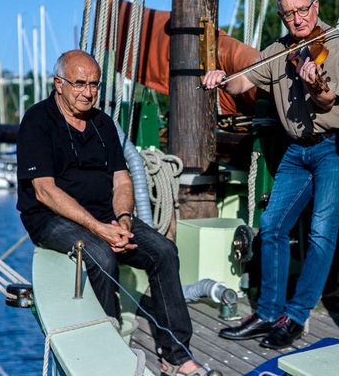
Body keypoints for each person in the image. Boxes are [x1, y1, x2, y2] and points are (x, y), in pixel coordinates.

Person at [16, 50, 208, 376]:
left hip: (107, 215)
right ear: (58, 84)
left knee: (163, 251)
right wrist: (98, 229)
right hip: (50, 217)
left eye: (94, 84)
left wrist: (123, 220)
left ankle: (175, 354)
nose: (88, 92)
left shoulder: (102, 123)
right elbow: (44, 190)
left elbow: (122, 178)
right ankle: (108, 348)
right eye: (79, 84)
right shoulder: (37, 121)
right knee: (100, 255)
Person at [202, 0, 339, 349]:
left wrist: (315, 86)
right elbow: (242, 83)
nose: (298, 19)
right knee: (270, 226)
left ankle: (296, 316)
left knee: (320, 234)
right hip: (296, 151)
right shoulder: (277, 51)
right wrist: (220, 77)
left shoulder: (335, 45)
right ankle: (269, 312)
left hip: (334, 148)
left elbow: (327, 101)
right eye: (289, 13)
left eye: (303, 10)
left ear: (315, 8)